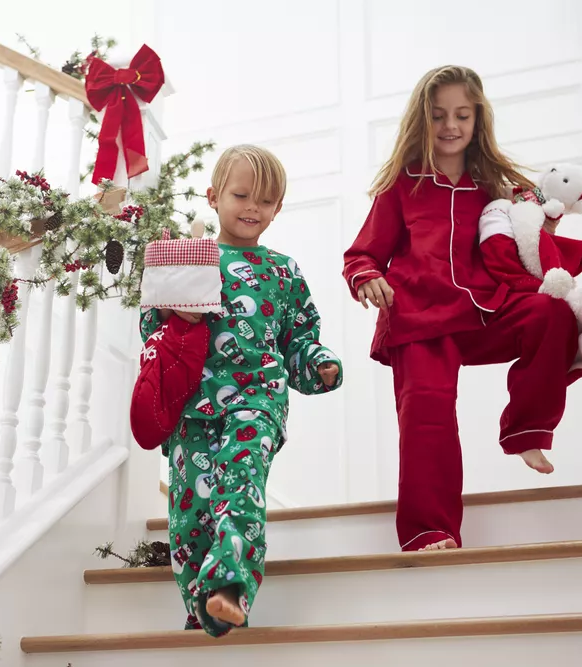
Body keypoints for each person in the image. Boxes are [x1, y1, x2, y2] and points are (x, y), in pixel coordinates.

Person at [341, 65, 582, 553]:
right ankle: (429, 532)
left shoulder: (495, 184)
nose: (450, 125)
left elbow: (529, 229)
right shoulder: (401, 188)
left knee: (549, 313)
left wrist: (553, 220)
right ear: (421, 121)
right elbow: (362, 253)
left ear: (477, 121)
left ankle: (528, 426)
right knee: (426, 420)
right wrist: (367, 278)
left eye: (462, 115)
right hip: (418, 320)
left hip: (483, 309)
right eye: (438, 116)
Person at [141, 144, 343, 636]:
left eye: (266, 201)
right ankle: (201, 606)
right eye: (241, 195)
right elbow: (152, 327)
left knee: (241, 486)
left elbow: (299, 336)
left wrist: (318, 364)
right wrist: (172, 314)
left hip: (256, 402)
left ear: (277, 210)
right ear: (213, 197)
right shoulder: (191, 256)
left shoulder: (283, 271)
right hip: (192, 405)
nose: (253, 207)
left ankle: (229, 586)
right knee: (189, 513)